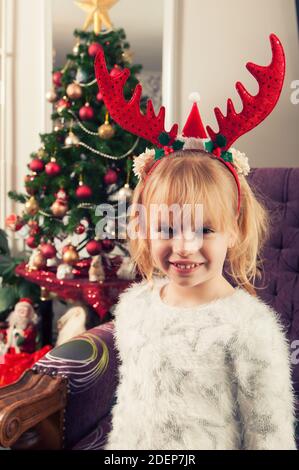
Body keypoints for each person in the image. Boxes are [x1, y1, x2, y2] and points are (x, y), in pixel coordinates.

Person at [94, 34, 297, 450]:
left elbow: (270, 437)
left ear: (236, 230)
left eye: (204, 229)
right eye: (167, 229)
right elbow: (128, 412)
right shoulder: (135, 307)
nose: (183, 246)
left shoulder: (251, 330)